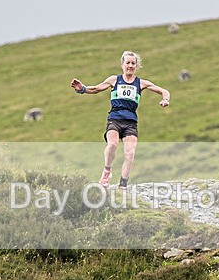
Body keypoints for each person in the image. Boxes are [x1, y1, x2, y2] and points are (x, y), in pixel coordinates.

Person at [71, 51, 170, 189]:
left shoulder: (141, 83)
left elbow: (164, 90)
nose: (130, 66)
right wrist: (82, 89)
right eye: (127, 63)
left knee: (130, 153)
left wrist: (165, 99)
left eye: (133, 63)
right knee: (112, 145)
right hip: (115, 119)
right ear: (122, 64)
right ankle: (107, 171)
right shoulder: (114, 80)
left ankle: (123, 185)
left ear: (136, 66)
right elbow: (96, 89)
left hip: (131, 123)